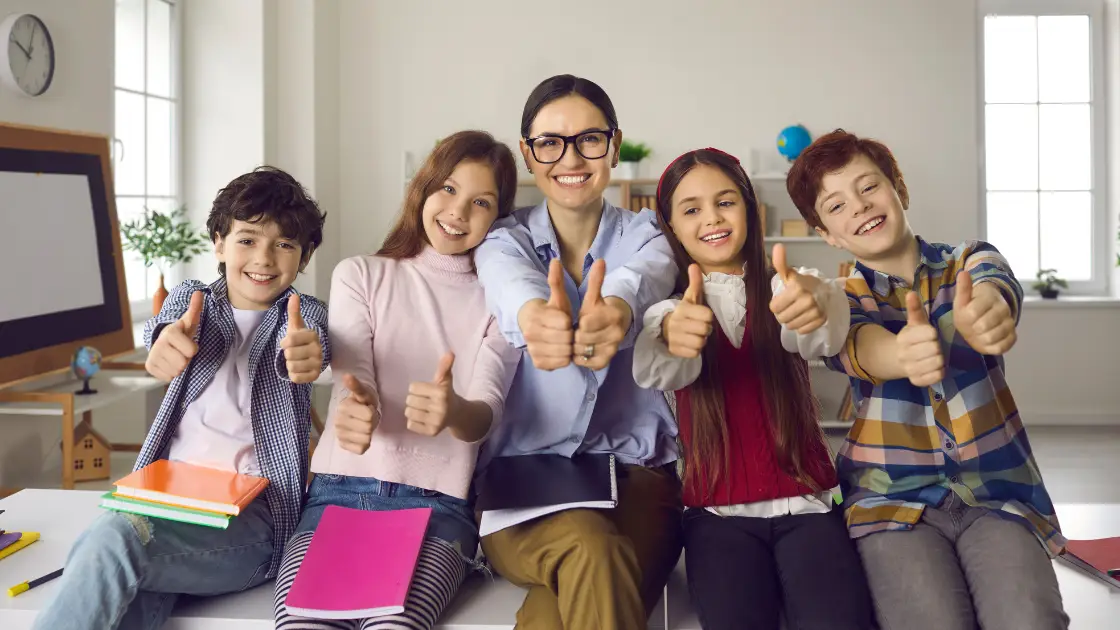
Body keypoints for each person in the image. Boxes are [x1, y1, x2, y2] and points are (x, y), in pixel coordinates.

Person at [785, 128, 1068, 630]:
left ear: (899, 189)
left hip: (996, 497)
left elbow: (993, 290)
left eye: (869, 186)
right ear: (826, 233)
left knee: (1030, 619)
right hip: (888, 504)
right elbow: (854, 344)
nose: (859, 206)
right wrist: (899, 353)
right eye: (835, 206)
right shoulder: (837, 301)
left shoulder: (971, 259)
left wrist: (987, 313)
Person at [33, 166, 330, 630]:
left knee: (114, 540)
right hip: (166, 503)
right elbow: (167, 332)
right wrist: (165, 348)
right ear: (218, 243)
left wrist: (306, 356)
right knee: (124, 593)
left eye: (285, 244)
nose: (264, 258)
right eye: (248, 239)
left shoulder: (303, 314)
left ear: (304, 256)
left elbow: (311, 342)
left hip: (254, 523)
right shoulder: (192, 301)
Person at [272, 130, 522, 630]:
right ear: (422, 189)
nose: (458, 212)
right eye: (447, 189)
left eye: (481, 202)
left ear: (498, 217)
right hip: (338, 496)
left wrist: (454, 411)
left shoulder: (502, 302)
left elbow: (485, 412)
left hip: (438, 509)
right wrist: (357, 408)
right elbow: (353, 374)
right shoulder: (360, 275)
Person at [632, 147, 874, 630]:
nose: (712, 219)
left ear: (749, 208)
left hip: (811, 507)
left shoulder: (792, 285)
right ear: (671, 228)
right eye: (692, 209)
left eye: (726, 202)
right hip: (715, 519)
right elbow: (659, 367)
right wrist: (675, 337)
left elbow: (817, 328)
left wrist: (816, 304)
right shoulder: (667, 309)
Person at [473, 74, 681, 629]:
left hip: (637, 480)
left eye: (589, 139)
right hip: (525, 483)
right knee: (590, 545)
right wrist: (534, 317)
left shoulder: (648, 236)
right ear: (528, 153)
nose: (571, 157)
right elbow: (509, 281)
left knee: (555, 609)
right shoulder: (503, 240)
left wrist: (615, 308)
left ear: (613, 144)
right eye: (550, 142)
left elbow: (645, 275)